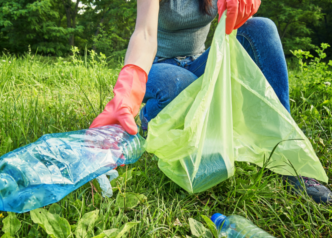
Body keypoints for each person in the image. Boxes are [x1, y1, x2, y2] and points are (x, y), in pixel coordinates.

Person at [89, 0, 331, 204]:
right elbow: (145, 33)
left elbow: (235, 24)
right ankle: (149, 117)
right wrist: (129, 88)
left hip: (200, 62)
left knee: (262, 28)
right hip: (161, 66)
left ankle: (286, 154)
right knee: (178, 84)